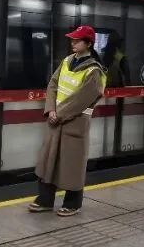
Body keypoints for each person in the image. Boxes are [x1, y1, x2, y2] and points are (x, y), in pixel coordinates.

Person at [30, 25, 106, 216]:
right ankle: (45, 199)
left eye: (77, 40)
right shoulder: (66, 61)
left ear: (88, 44)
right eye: (72, 39)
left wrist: (59, 114)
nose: (73, 43)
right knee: (48, 161)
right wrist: (51, 110)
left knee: (72, 164)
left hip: (75, 122)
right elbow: (53, 84)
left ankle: (73, 203)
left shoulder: (94, 71)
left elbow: (82, 98)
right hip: (56, 120)